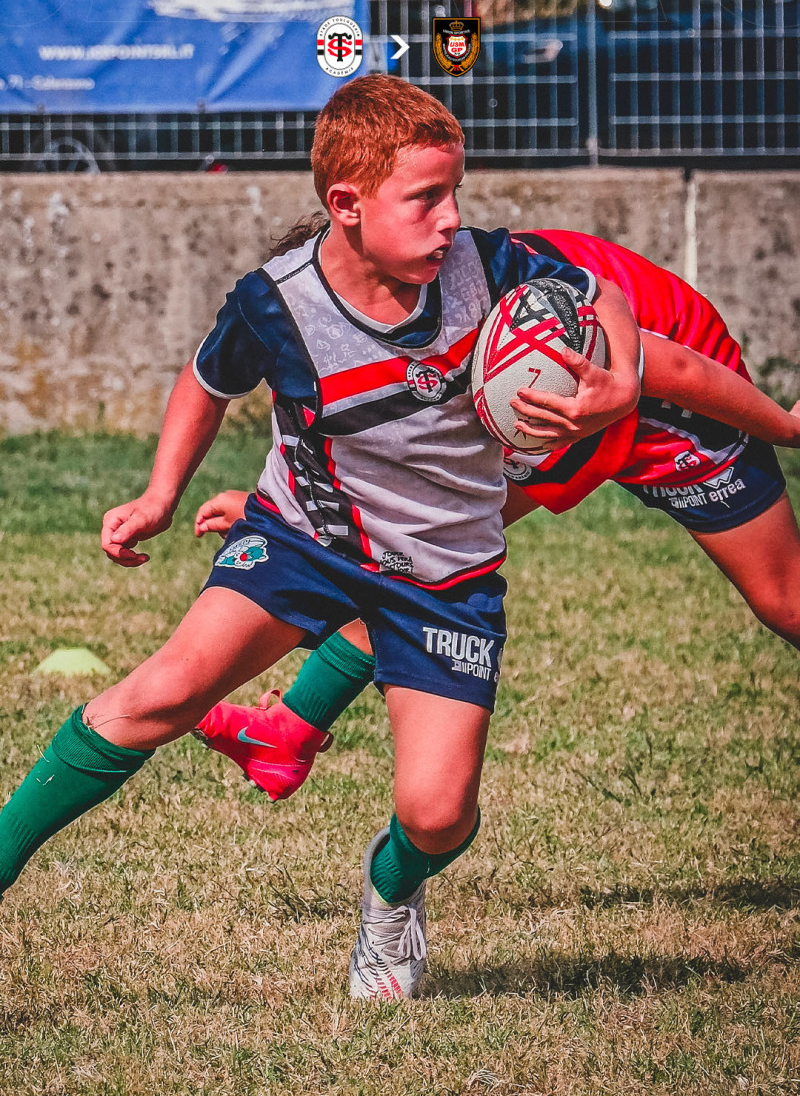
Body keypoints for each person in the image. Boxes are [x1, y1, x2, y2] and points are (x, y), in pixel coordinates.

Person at [0, 77, 642, 1002]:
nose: (450, 219)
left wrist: (622, 383)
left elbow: (601, 291)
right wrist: (159, 494)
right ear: (347, 205)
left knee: (438, 815)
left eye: (455, 193)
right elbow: (206, 380)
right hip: (306, 539)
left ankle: (394, 891)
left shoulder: (493, 267)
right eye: (425, 198)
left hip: (445, 574)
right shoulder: (277, 304)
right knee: (160, 692)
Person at [193, 228, 800, 813]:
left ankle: (290, 729)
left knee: (785, 602)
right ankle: (289, 731)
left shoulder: (503, 306)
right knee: (419, 557)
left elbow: (677, 369)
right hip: (550, 405)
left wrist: (787, 427)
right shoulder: (388, 321)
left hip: (674, 403)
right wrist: (276, 511)